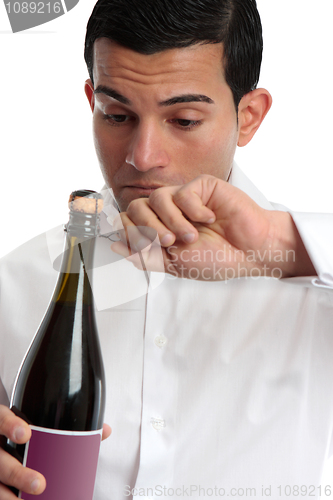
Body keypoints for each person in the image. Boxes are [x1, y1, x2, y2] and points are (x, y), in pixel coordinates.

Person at [0, 0, 333, 498]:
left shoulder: (312, 278)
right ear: (91, 101)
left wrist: (278, 246)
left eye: (183, 120)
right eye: (116, 115)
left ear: (249, 116)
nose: (142, 156)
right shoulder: (17, 284)